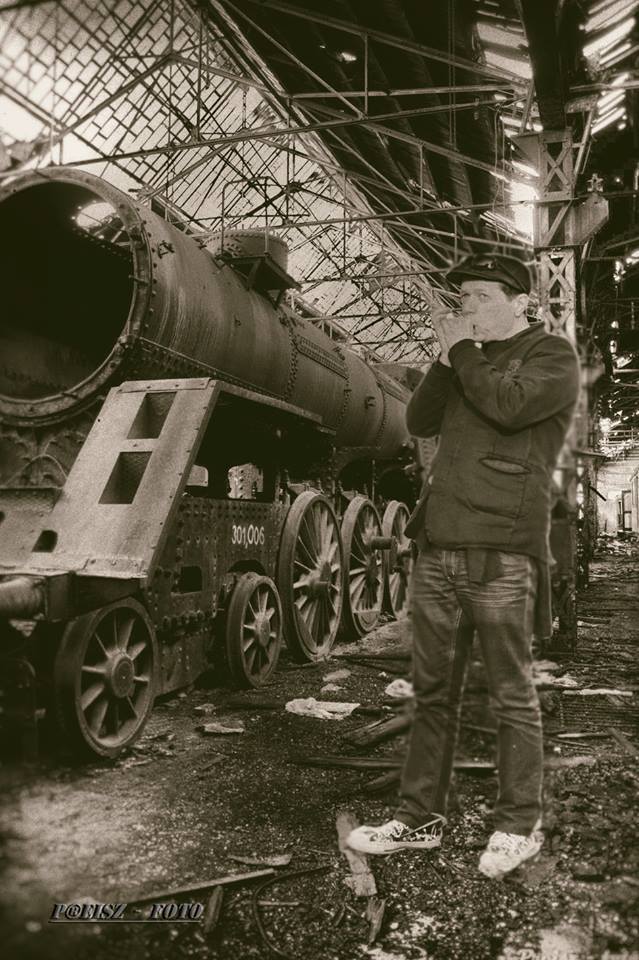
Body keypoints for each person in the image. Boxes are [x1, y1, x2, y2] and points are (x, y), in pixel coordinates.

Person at [347, 252, 580, 878]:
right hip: (440, 544)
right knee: (433, 693)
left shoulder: (551, 355)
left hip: (499, 547)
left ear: (521, 302)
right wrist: (444, 361)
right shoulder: (464, 359)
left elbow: (508, 407)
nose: (466, 307)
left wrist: (461, 353)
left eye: (480, 296)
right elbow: (418, 420)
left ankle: (517, 827)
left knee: (510, 693)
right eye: (463, 297)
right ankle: (418, 819)